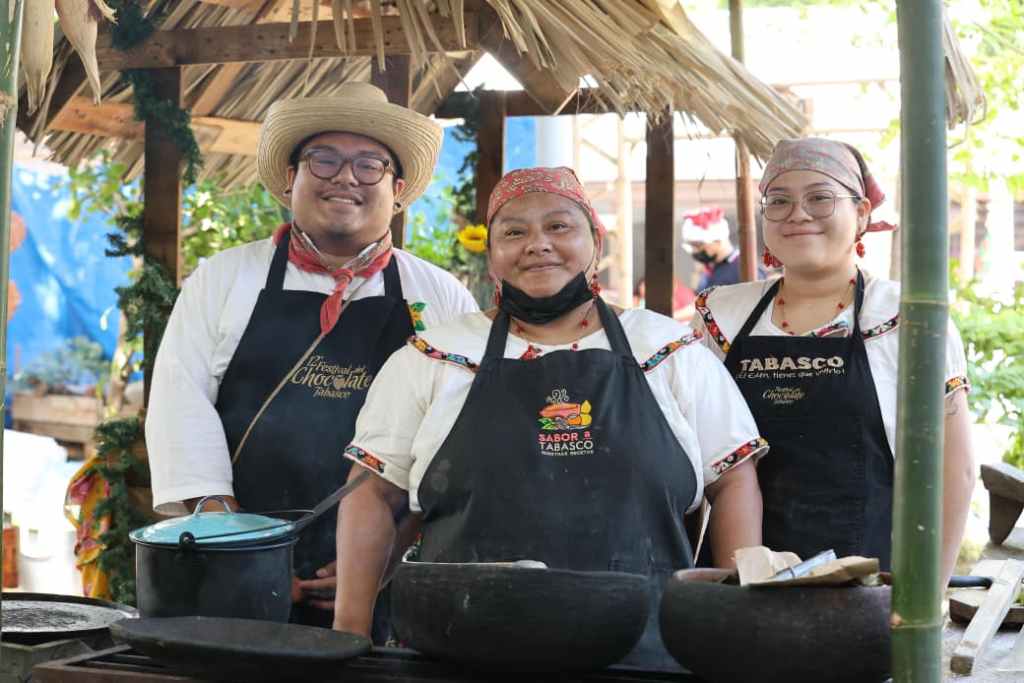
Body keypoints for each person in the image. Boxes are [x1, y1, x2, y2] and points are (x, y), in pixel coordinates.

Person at [333, 167, 767, 670]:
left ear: (595, 242)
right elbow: (369, 493)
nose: (538, 244)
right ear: (491, 253)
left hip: (643, 650)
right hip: (460, 652)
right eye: (514, 231)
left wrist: (741, 625)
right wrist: (350, 634)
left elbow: (734, 479)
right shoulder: (434, 356)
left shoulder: (669, 350)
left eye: (560, 227)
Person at [146, 82, 478, 629]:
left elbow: (455, 436)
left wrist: (385, 553)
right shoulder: (225, 278)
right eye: (323, 160)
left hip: (386, 573)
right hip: (232, 561)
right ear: (290, 180)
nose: (345, 177)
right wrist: (236, 540)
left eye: (369, 165)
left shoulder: (439, 297)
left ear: (397, 190)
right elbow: (179, 403)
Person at [692, 138, 974, 584]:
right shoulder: (721, 317)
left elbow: (953, 470)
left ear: (861, 212)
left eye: (820, 199)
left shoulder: (907, 316)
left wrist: (926, 600)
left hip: (873, 584)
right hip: (743, 581)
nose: (798, 214)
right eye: (779, 201)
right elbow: (695, 463)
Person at [682, 206, 753, 290]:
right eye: (692, 246)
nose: (695, 251)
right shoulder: (708, 269)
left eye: (698, 245)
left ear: (718, 241)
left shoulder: (744, 268)